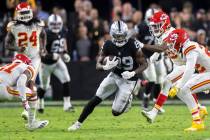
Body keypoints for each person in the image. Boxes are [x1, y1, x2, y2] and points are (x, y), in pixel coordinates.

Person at [68, 20, 148, 131]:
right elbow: (98, 65)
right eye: (117, 36)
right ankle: (78, 123)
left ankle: (129, 97)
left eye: (121, 36)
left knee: (115, 112)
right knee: (96, 98)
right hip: (115, 75)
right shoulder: (108, 44)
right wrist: (105, 67)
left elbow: (145, 64)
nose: (119, 39)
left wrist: (133, 73)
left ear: (126, 34)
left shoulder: (133, 44)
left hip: (129, 80)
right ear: (112, 34)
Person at [141, 11, 207, 131]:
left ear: (164, 24)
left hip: (185, 65)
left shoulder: (173, 35)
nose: (154, 28)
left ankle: (154, 113)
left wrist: (144, 48)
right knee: (179, 87)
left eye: (157, 25)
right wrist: (150, 60)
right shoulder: (164, 35)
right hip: (183, 65)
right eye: (153, 26)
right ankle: (199, 108)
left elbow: (162, 49)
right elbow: (159, 51)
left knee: (173, 84)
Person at [4, 2, 46, 120]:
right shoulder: (14, 26)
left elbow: (43, 35)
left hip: (34, 57)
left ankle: (28, 112)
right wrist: (17, 48)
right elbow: (7, 44)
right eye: (22, 13)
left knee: (29, 81)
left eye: (26, 12)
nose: (25, 15)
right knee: (19, 83)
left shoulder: (38, 23)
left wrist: (43, 48)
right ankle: (30, 105)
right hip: (20, 57)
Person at [165, 29, 210, 131]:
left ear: (179, 42)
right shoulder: (187, 47)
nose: (171, 45)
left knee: (183, 88)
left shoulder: (189, 48)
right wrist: (174, 57)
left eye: (173, 43)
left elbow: (190, 69)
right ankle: (198, 111)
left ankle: (197, 121)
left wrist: (178, 86)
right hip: (207, 73)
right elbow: (182, 63)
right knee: (179, 87)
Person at [0, 54, 48, 130]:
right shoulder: (27, 67)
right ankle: (31, 124)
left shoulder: (4, 66)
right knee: (33, 93)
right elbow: (21, 82)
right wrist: (25, 102)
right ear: (26, 62)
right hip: (3, 90)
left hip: (3, 85)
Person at [37, 14, 74, 113]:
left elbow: (63, 41)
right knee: (44, 86)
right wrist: (51, 55)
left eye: (58, 24)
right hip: (45, 64)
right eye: (53, 24)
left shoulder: (63, 31)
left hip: (57, 61)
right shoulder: (45, 34)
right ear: (49, 24)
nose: (56, 26)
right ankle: (40, 102)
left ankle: (67, 105)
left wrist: (65, 52)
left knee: (66, 79)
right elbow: (41, 52)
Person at [135, 8, 166, 112]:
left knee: (160, 79)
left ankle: (156, 104)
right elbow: (134, 39)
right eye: (151, 19)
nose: (153, 22)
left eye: (155, 19)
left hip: (159, 56)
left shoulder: (163, 27)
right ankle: (146, 99)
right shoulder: (142, 27)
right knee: (152, 79)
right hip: (146, 56)